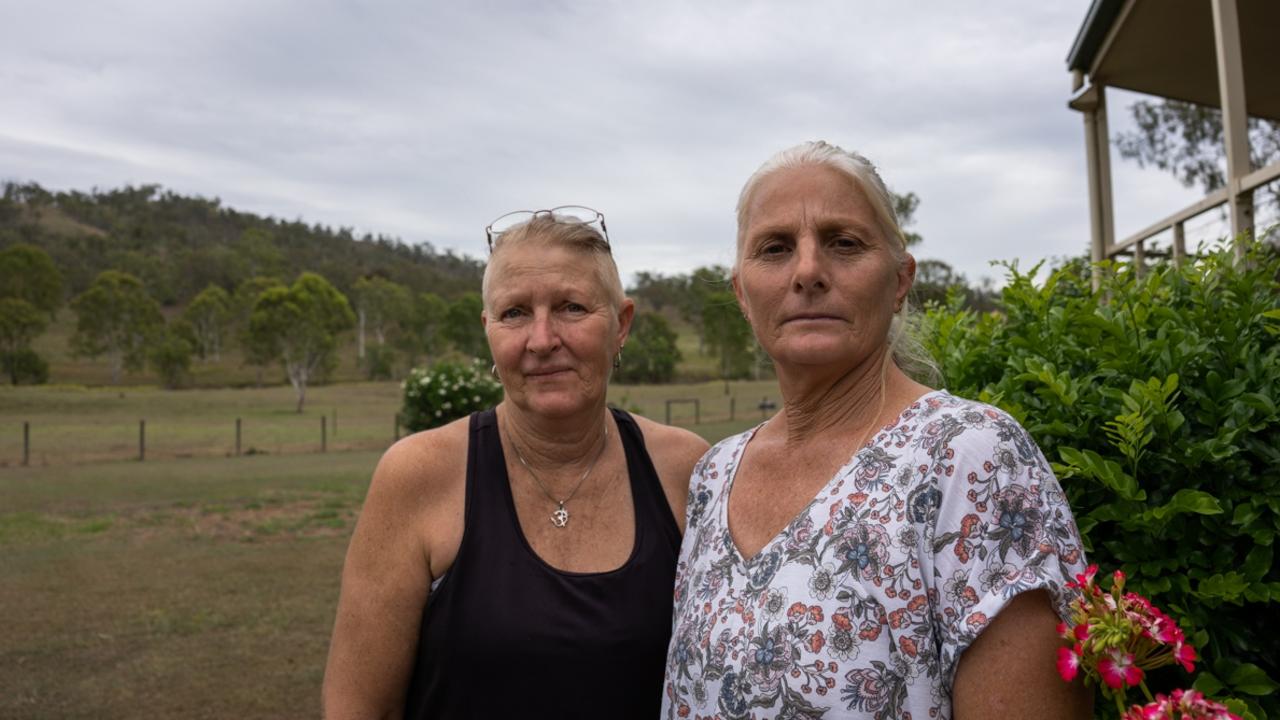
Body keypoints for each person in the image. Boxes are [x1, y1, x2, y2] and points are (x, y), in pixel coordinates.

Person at [661, 143, 1091, 719]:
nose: (808, 271)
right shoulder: (715, 473)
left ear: (899, 281)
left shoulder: (970, 457)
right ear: (741, 292)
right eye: (775, 248)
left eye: (844, 242)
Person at [323, 207, 709, 719]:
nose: (543, 339)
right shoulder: (418, 475)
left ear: (621, 325)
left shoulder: (686, 469)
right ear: (487, 330)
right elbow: (358, 707)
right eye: (514, 313)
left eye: (572, 307)